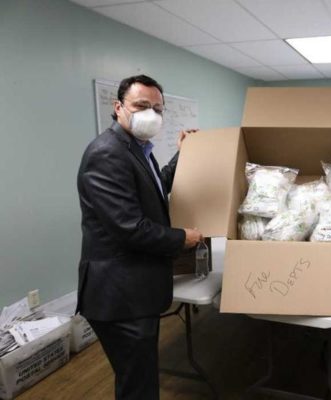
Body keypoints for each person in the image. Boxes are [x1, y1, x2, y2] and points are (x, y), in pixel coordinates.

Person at [76, 75, 203, 400]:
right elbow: (128, 227)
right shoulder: (107, 153)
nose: (152, 115)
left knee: (140, 378)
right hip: (119, 295)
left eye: (157, 109)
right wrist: (181, 239)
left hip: (134, 290)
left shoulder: (136, 149)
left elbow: (155, 187)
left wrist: (181, 155)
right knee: (139, 387)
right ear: (119, 108)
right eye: (141, 106)